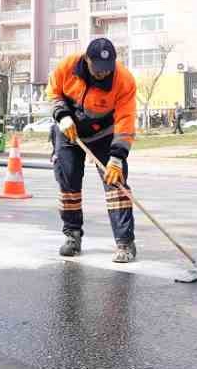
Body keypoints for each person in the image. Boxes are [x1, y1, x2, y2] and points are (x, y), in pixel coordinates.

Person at [48, 37, 138, 263]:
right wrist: (62, 115)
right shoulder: (68, 66)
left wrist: (117, 156)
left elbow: (126, 120)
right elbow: (53, 92)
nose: (102, 74)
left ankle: (125, 243)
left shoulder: (124, 80)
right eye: (98, 69)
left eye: (107, 70)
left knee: (116, 185)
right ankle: (72, 236)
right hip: (70, 133)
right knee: (68, 183)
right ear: (87, 60)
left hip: (104, 136)